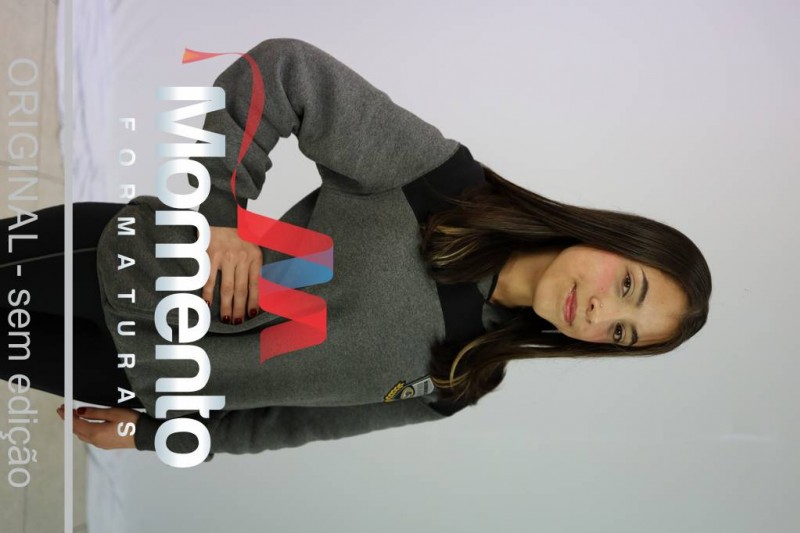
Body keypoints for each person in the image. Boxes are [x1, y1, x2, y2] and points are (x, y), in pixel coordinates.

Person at [0, 38, 711, 461]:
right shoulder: (441, 185)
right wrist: (218, 212)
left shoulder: (461, 377)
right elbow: (285, 73)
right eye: (628, 286)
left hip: (134, 378)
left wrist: (158, 434)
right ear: (611, 238)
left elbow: (290, 420)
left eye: (621, 333)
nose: (600, 313)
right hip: (123, 268)